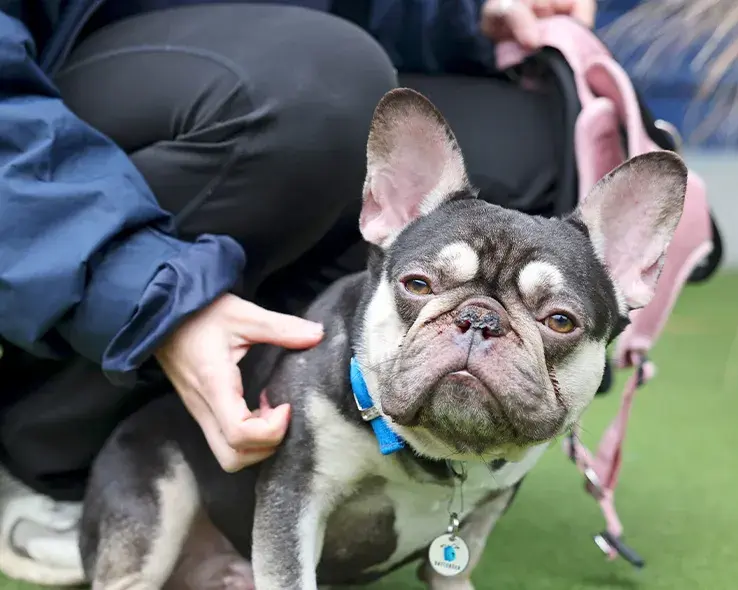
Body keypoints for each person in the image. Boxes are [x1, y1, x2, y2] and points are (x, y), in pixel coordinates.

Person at [0, 0, 596, 584]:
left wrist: (461, 12)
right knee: (321, 87)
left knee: (540, 136)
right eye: (420, 286)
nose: (478, 330)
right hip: (54, 104)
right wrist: (148, 292)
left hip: (284, 45)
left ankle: (286, 375)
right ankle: (51, 450)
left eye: (557, 320)